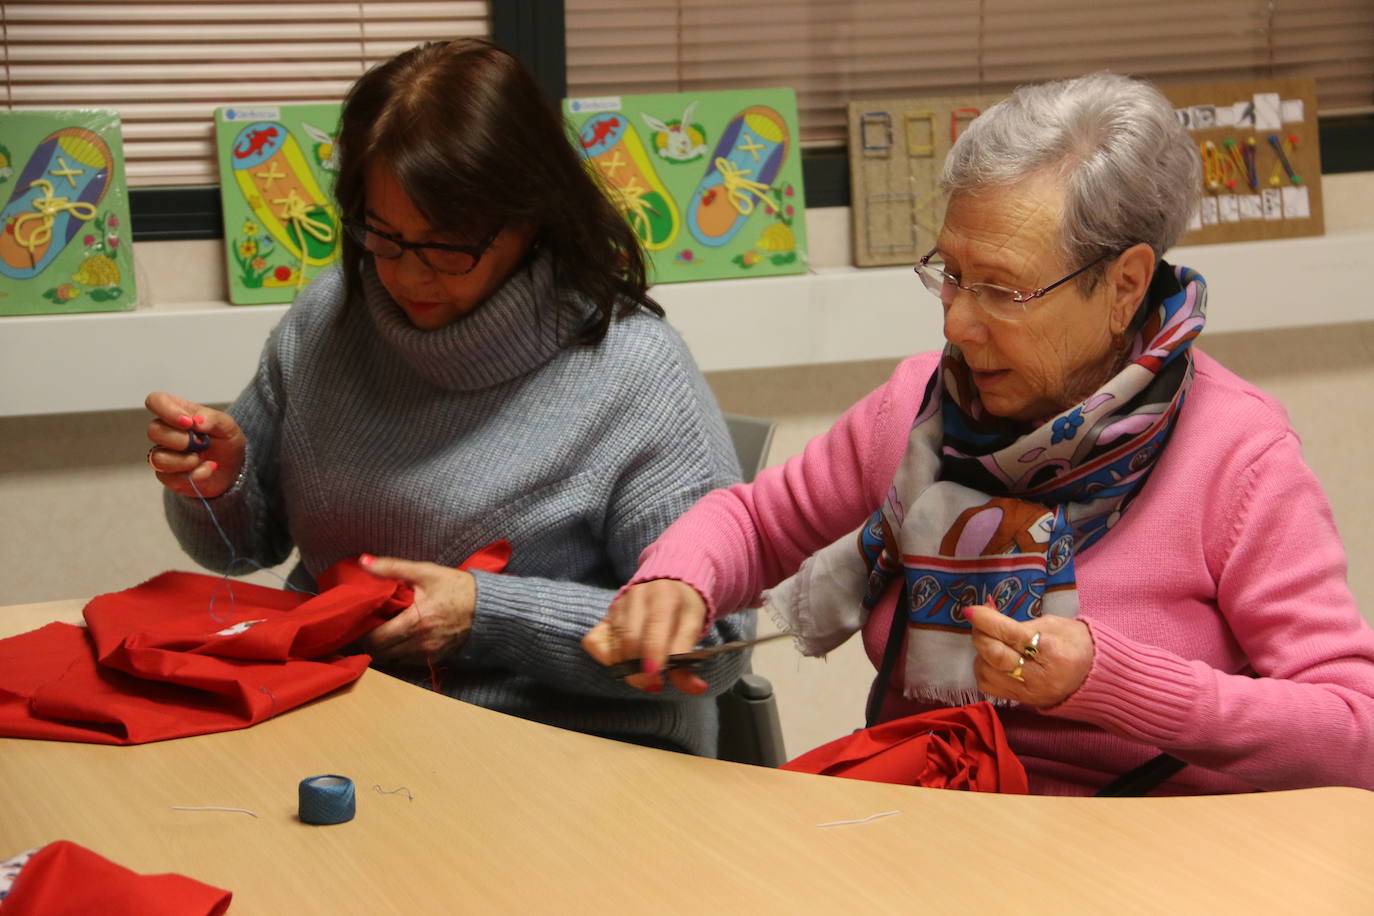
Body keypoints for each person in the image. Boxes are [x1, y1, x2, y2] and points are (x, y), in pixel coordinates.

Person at [584, 72, 1374, 794]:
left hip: (1143, 855)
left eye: (1001, 289)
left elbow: (1352, 733)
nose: (958, 321)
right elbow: (754, 523)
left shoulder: (1238, 455)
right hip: (929, 819)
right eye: (951, 274)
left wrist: (1110, 679)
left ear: (1125, 285)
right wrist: (677, 581)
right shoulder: (918, 409)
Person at [144, 38, 750, 757]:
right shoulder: (329, 318)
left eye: (447, 245)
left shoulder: (632, 369)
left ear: (531, 218)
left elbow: (714, 647)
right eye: (384, 236)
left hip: (560, 754)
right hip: (336, 717)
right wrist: (218, 485)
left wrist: (487, 613)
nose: (409, 275)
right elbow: (243, 551)